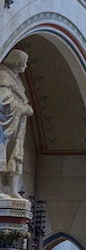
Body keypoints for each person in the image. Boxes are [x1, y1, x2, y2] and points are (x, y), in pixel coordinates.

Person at [0, 48, 34, 198]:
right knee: (3, 153)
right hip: (5, 125)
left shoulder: (16, 79)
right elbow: (3, 99)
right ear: (17, 61)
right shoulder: (3, 75)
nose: (26, 66)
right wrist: (23, 108)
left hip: (17, 126)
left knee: (16, 155)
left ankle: (13, 191)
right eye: (24, 63)